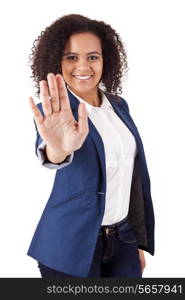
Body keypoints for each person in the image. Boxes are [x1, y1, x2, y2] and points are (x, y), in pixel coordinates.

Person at [27, 14, 155, 278]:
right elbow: (52, 152)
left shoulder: (118, 106)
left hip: (122, 240)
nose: (83, 66)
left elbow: (127, 177)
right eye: (71, 57)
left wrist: (134, 241)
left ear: (105, 60)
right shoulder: (54, 112)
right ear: (57, 62)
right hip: (70, 243)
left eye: (92, 57)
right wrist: (59, 150)